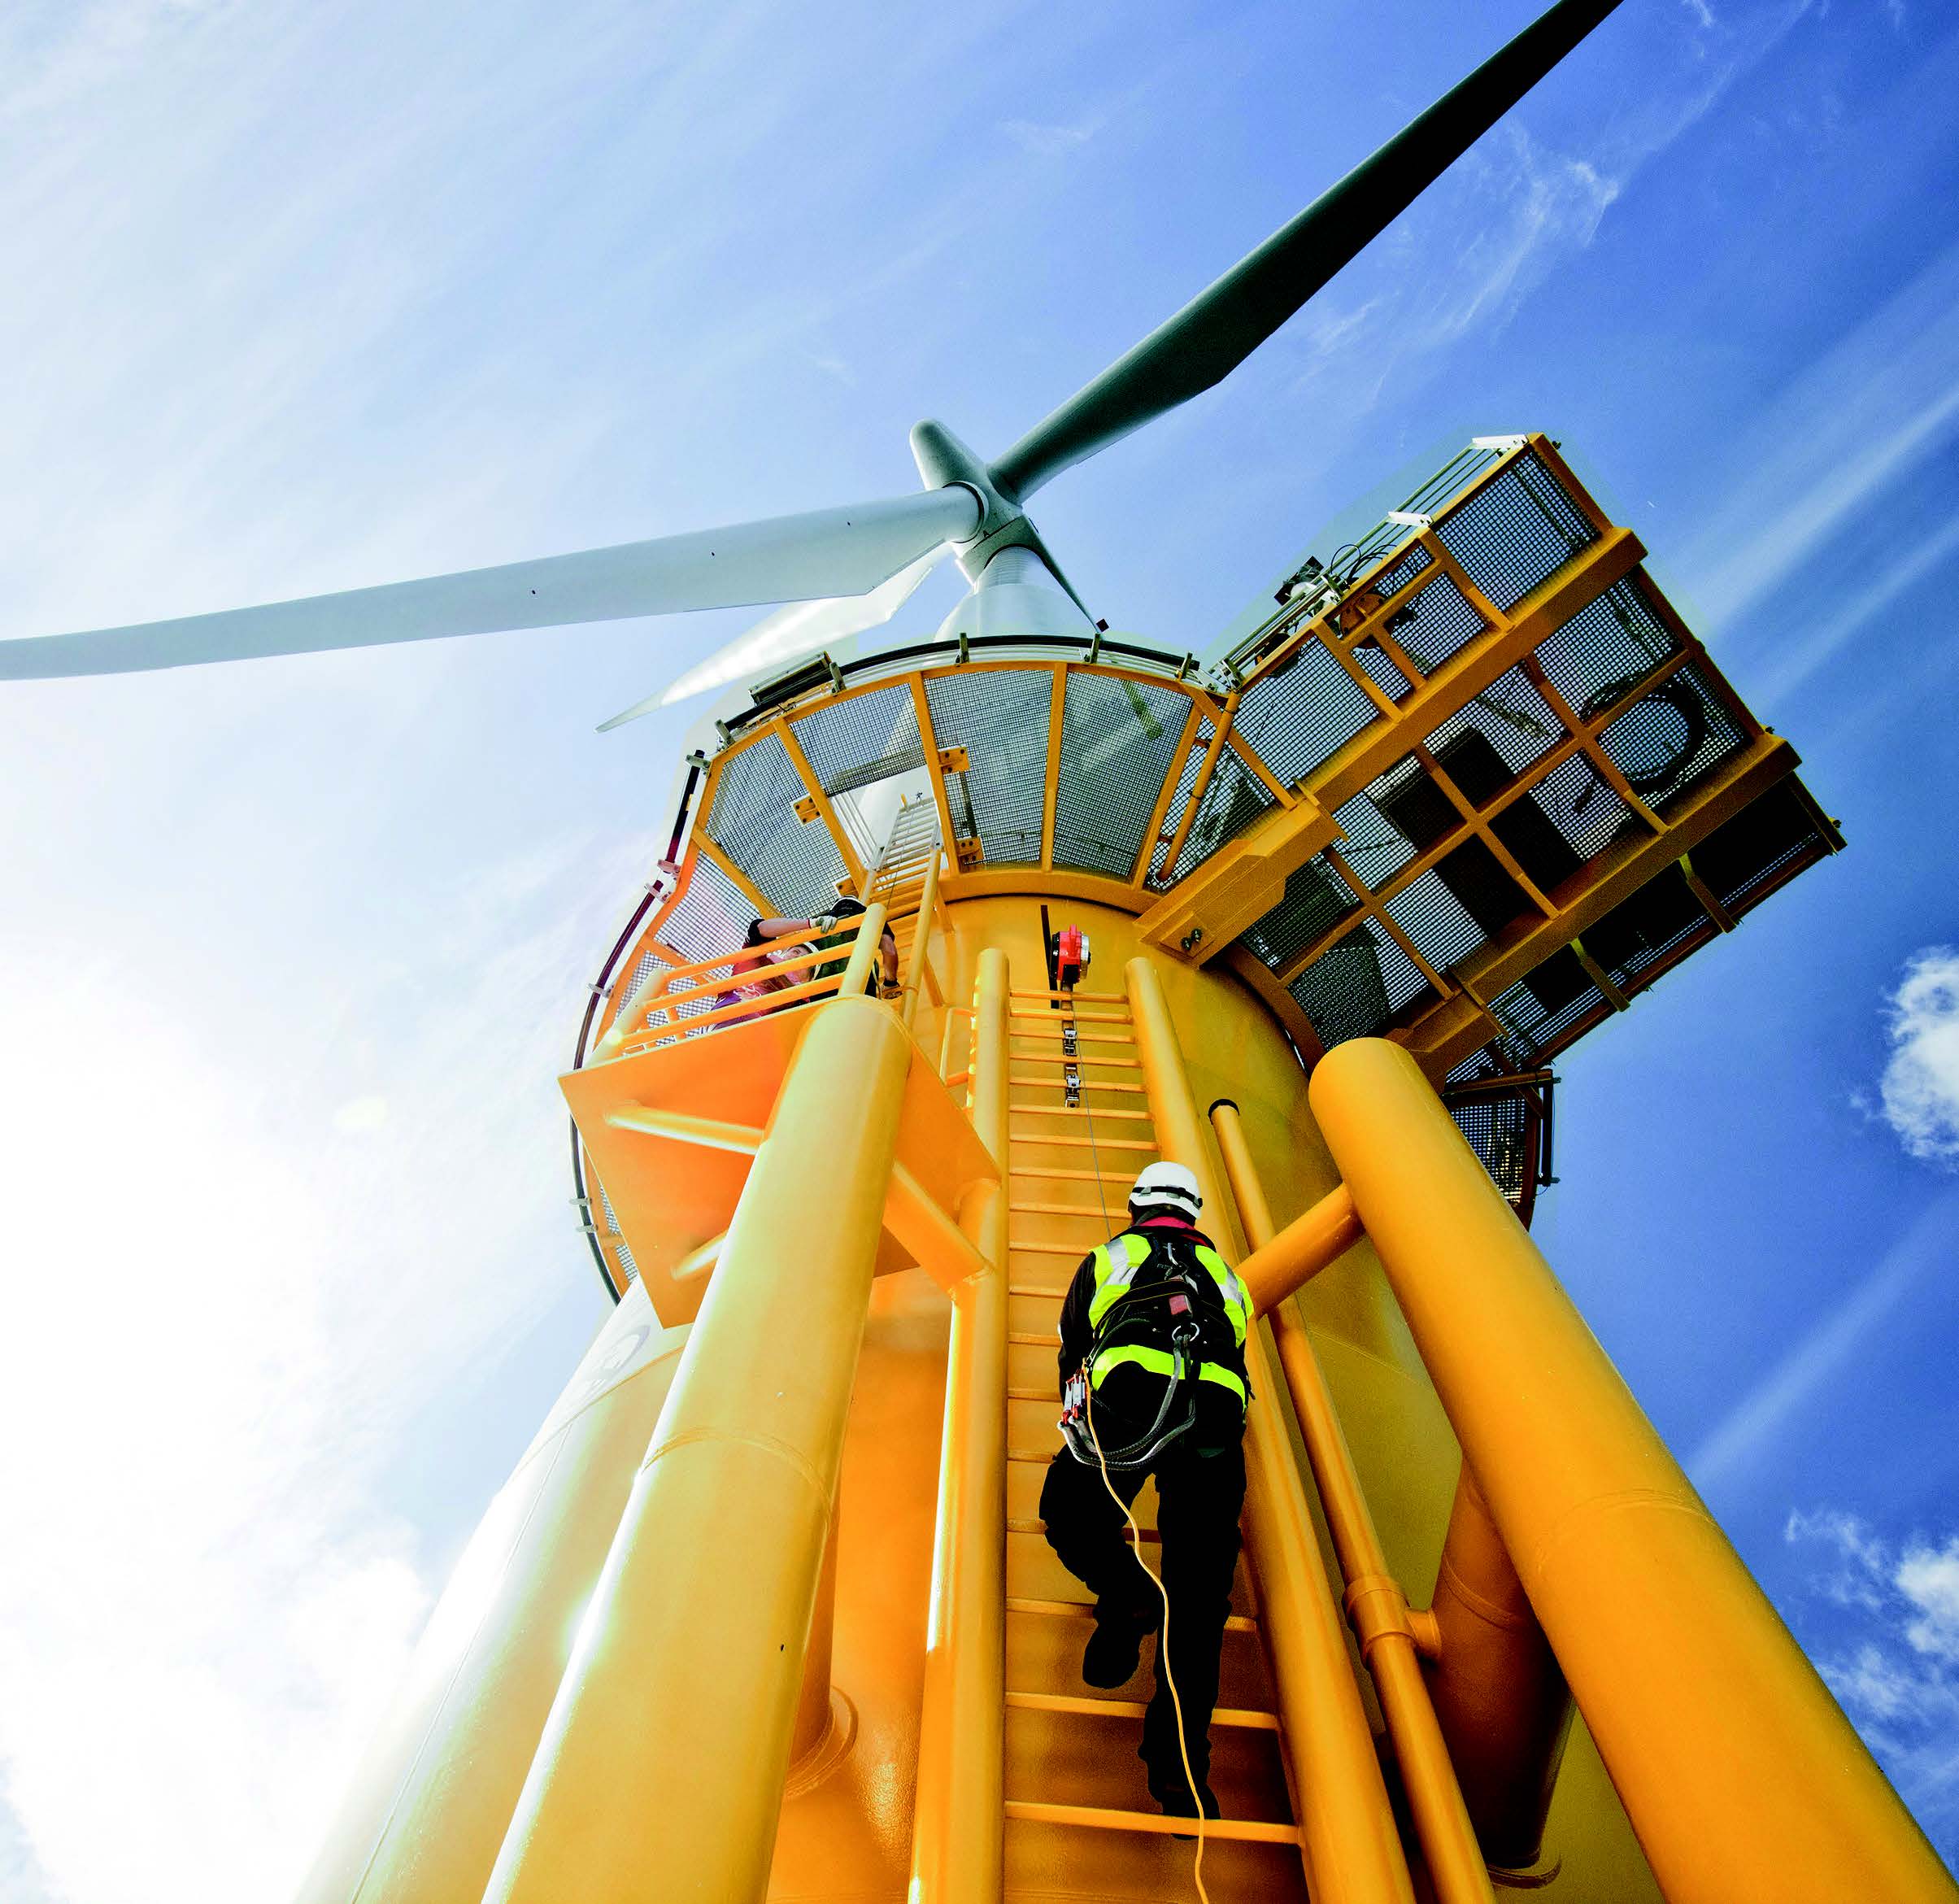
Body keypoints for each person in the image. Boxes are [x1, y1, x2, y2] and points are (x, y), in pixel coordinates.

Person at [1038, 1161, 1252, 1823]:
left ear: (1137, 1206)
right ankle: (1180, 1771)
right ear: (1191, 1215)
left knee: (1069, 1513)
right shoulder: (1227, 1277)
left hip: (1126, 1402)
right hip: (1213, 1423)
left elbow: (1073, 1346)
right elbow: (1237, 1346)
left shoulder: (1111, 1254)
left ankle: (1128, 1597)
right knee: (1198, 1603)